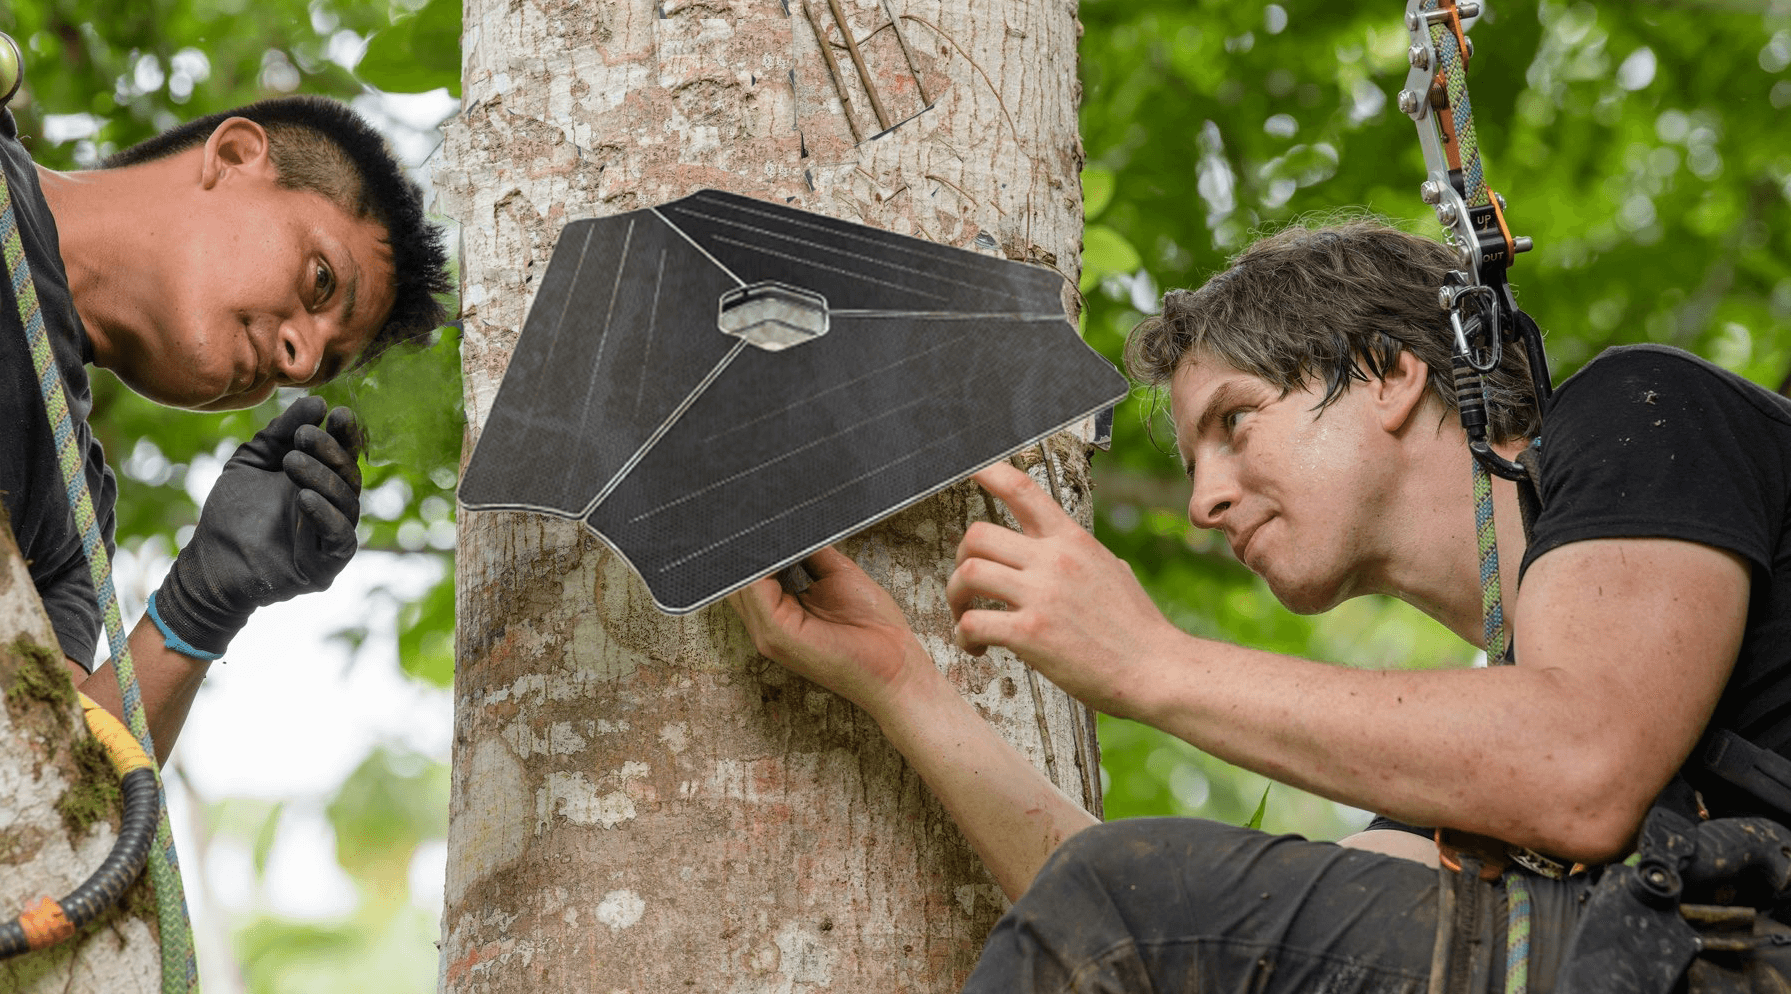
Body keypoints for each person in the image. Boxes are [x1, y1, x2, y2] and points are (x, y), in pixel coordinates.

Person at [730, 219, 1791, 991]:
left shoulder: (1643, 413)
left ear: (1387, 373)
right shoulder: (1477, 768)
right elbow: (1155, 935)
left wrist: (1151, 661)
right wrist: (902, 683)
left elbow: (1584, 766)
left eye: (1235, 421)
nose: (1203, 503)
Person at [0, 0, 448, 988]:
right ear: (232, 157)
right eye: (320, 280)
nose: (301, 353)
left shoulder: (73, 514)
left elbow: (38, 822)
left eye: (318, 366)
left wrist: (197, 608)